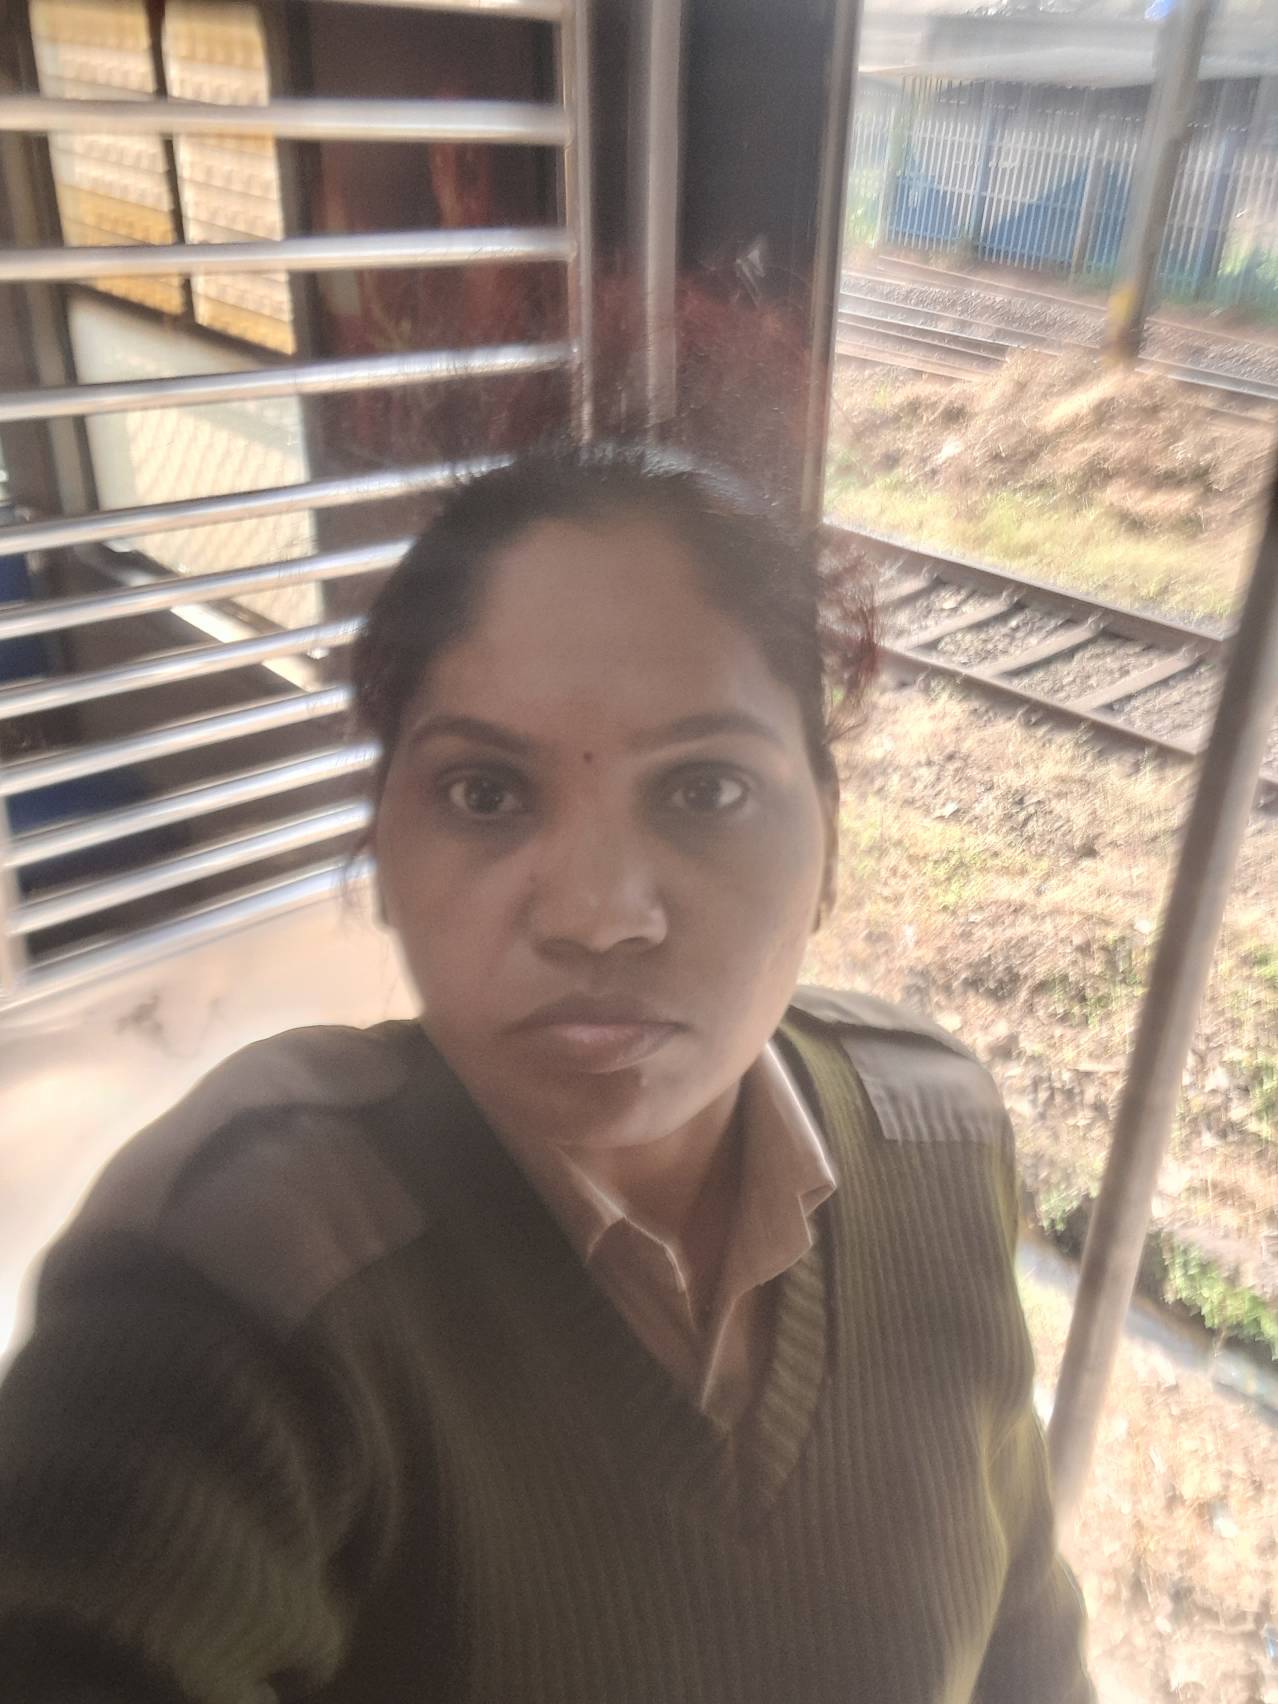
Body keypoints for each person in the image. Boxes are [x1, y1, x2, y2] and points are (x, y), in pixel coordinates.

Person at [0, 444, 1094, 1703]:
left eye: (705, 788)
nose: (596, 916)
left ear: (830, 836)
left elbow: (1024, 1635)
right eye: (485, 792)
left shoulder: (941, 1136)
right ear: (382, 848)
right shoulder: (250, 1266)